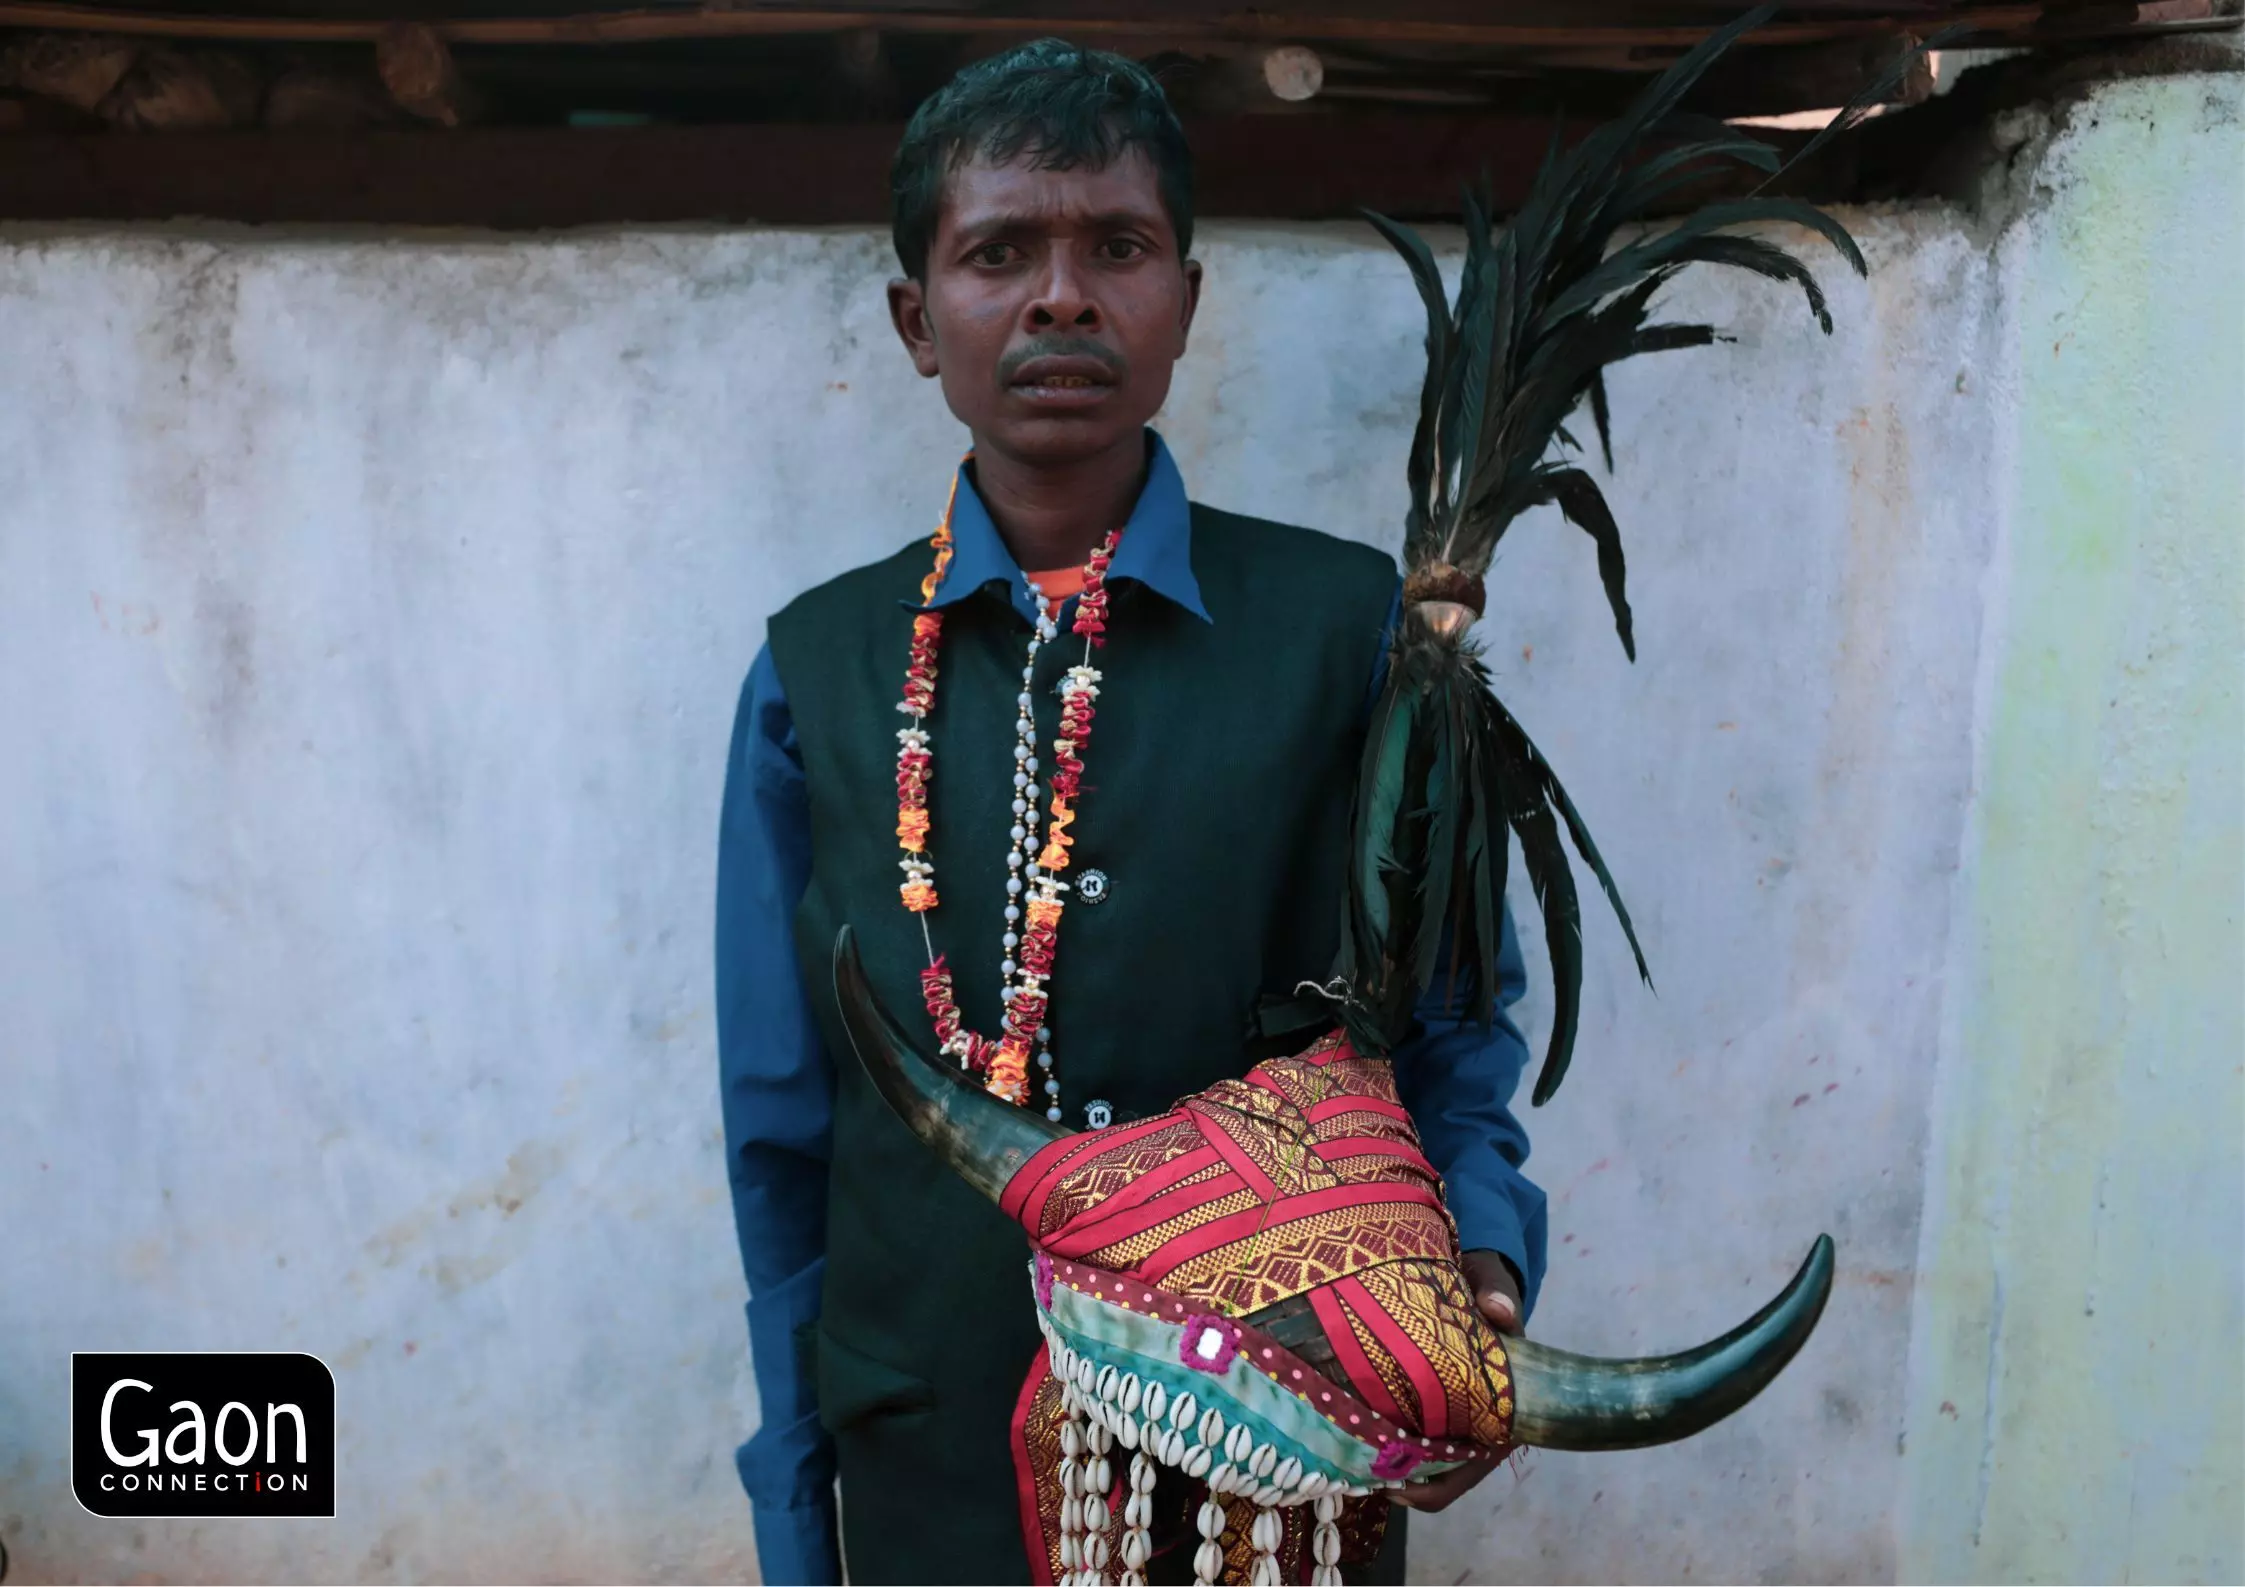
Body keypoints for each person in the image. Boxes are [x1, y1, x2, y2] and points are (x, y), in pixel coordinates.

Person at [716, 40, 1546, 1585]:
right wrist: (795, 1507)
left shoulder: (1349, 626)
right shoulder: (813, 670)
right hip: (926, 1462)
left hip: (1271, 1451)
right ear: (917, 318)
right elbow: (781, 1135)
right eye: (998, 252)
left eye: (1117, 245)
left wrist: (1474, 1270)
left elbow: (1449, 1019)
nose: (1060, 297)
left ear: (1186, 298)